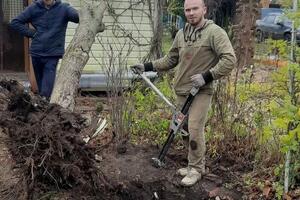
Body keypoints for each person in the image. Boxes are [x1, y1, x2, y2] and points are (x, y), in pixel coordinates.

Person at [131, 0, 236, 186]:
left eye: (195, 9)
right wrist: (146, 66)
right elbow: (170, 59)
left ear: (204, 9)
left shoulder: (214, 33)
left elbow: (229, 59)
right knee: (184, 130)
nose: (190, 13)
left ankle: (196, 169)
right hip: (181, 91)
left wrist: (207, 76)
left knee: (195, 128)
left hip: (201, 91)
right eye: (187, 9)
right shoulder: (181, 34)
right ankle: (192, 165)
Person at [10, 0, 79, 99]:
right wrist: (32, 33)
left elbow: (78, 17)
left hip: (52, 54)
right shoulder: (34, 8)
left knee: (46, 89)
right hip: (36, 53)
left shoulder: (64, 8)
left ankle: (44, 104)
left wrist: (85, 13)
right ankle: (44, 106)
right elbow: (15, 22)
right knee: (41, 86)